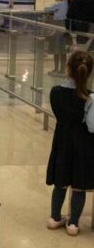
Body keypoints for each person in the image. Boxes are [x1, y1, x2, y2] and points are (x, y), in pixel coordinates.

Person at [46, 51, 94, 236]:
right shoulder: (89, 98)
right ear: (89, 73)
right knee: (79, 186)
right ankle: (73, 223)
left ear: (67, 69)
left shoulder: (56, 92)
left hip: (62, 142)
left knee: (61, 182)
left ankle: (54, 217)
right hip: (83, 146)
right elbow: (91, 126)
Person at [44, 0, 73, 76]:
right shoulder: (67, 3)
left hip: (58, 28)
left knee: (57, 50)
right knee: (62, 51)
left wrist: (56, 2)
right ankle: (61, 70)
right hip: (63, 28)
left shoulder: (60, 4)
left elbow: (47, 9)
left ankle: (57, 69)